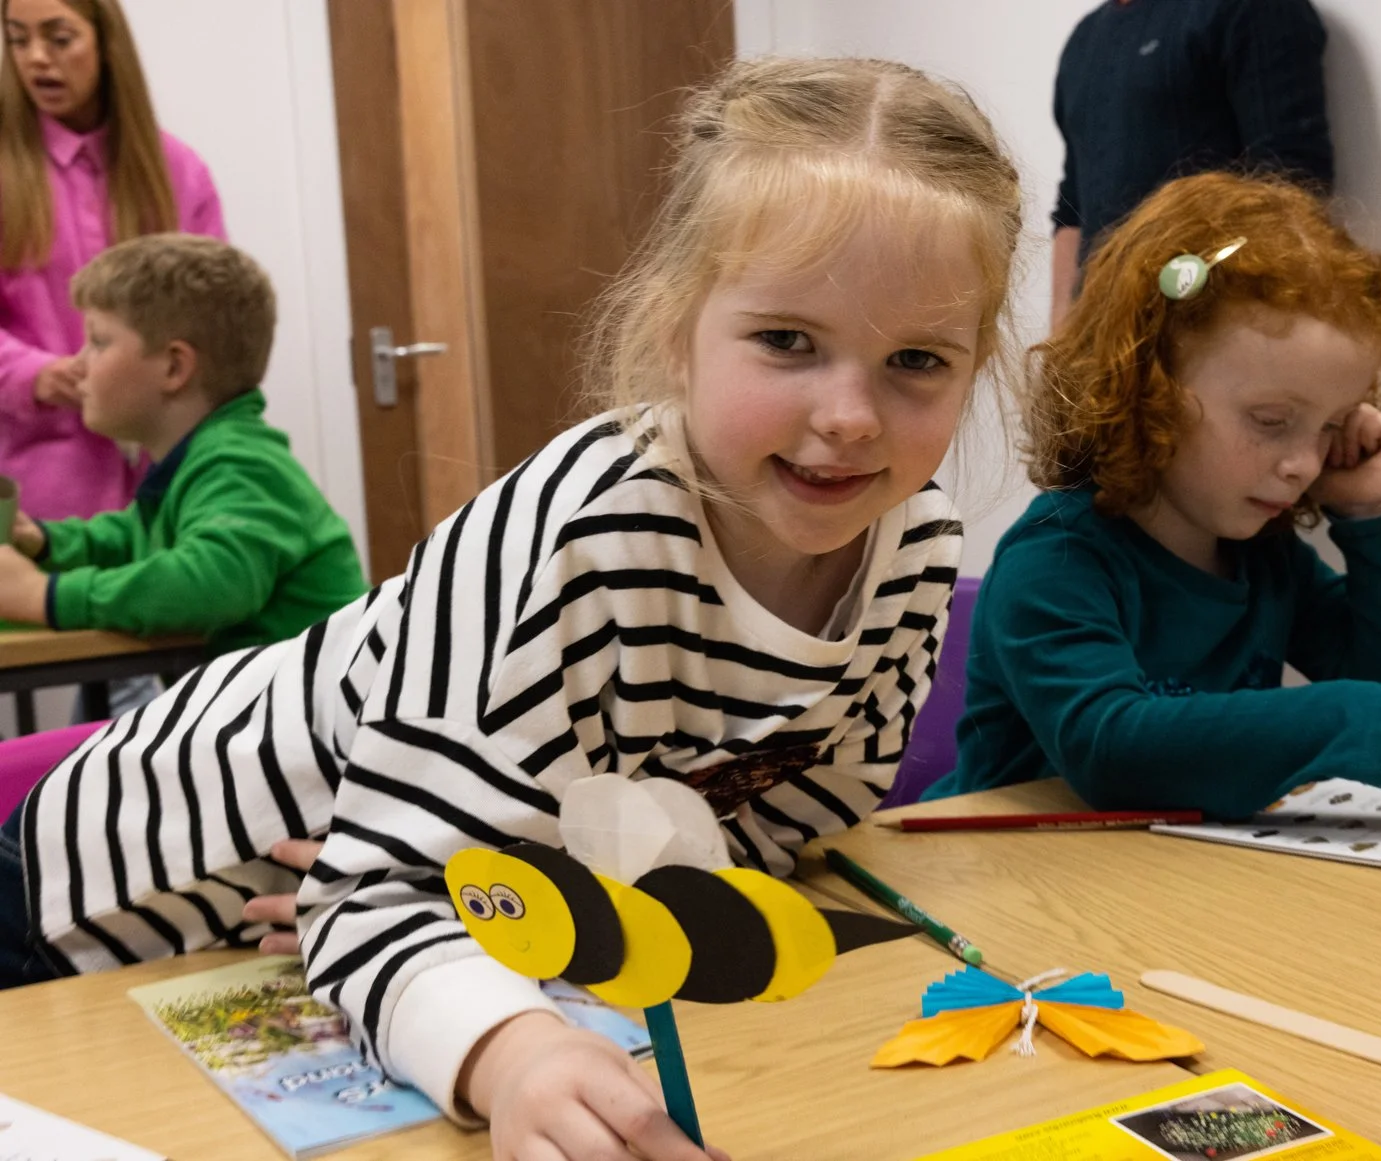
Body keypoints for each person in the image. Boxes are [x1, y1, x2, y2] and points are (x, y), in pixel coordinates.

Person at [2, 57, 1023, 1161]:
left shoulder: (915, 543)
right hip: (110, 902)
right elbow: (365, 900)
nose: (850, 418)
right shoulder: (582, 536)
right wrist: (515, 1050)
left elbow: (788, 815)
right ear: (677, 329)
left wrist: (547, 903)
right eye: (787, 342)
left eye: (917, 360)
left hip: (374, 921)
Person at [929, 172, 1381, 823]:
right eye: (1270, 421)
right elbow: (1108, 748)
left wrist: (1372, 516)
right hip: (1003, 877)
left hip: (1161, 879)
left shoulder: (1263, 556)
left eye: (1329, 426)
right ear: (1144, 389)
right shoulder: (1056, 558)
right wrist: (1374, 720)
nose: (1302, 463)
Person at [0, 234, 367, 651]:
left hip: (333, 711)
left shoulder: (240, 463)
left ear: (174, 367)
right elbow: (130, 537)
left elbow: (208, 585)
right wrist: (46, 541)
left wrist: (43, 596)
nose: (78, 363)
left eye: (99, 342)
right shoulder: (193, 461)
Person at [0, 0, 225, 522]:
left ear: (106, 45)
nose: (36, 59)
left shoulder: (178, 171)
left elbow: (218, 317)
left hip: (172, 472)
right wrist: (34, 375)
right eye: (17, 39)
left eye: (59, 39)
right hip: (40, 488)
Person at [1050, 0, 1333, 330]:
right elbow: (1073, 207)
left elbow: (1292, 189)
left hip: (1209, 335)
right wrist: (1061, 336)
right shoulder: (1085, 40)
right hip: (1103, 339)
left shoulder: (1253, 8)